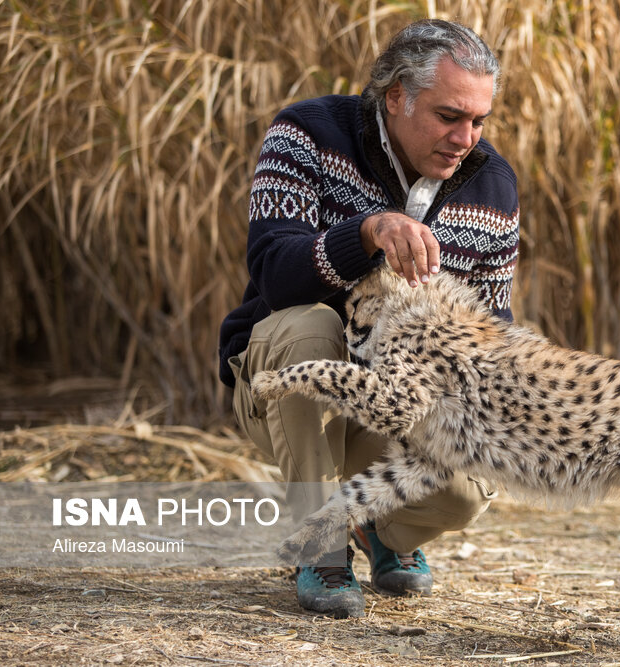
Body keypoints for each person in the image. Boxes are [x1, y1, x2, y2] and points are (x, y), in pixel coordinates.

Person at [217, 19, 518, 617]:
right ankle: (321, 545)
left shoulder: (492, 183)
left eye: (478, 120)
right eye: (449, 116)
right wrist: (368, 233)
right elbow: (275, 276)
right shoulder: (304, 133)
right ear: (397, 96)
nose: (466, 137)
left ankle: (379, 531)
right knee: (309, 326)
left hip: (397, 403)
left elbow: (492, 328)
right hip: (288, 386)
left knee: (465, 491)